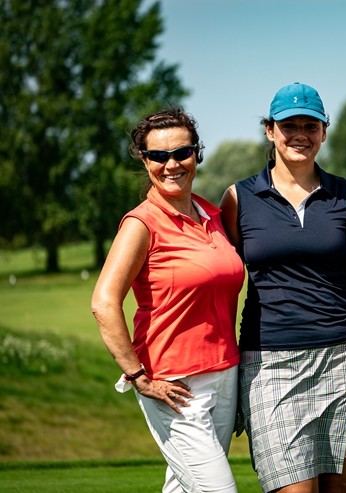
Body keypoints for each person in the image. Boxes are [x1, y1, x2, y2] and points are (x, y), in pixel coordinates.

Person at [219, 82, 346, 493]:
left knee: (339, 490)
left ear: (324, 131)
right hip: (269, 364)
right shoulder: (238, 198)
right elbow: (222, 278)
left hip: (343, 360)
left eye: (310, 126)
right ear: (270, 131)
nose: (300, 135)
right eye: (288, 125)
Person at [91, 107, 245, 492]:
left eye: (182, 153)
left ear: (197, 154)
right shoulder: (141, 223)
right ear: (145, 161)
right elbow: (104, 302)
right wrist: (138, 376)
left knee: (183, 485)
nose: (171, 164)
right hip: (173, 383)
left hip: (225, 373)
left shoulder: (213, 213)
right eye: (158, 156)